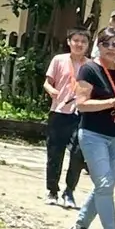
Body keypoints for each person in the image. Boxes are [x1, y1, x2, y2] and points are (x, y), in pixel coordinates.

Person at [69, 27, 115, 229]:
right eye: (106, 43)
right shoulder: (90, 69)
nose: (111, 48)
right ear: (98, 46)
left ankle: (79, 228)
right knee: (105, 184)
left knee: (104, 186)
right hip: (93, 135)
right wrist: (112, 102)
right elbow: (81, 104)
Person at [44, 29, 90, 208]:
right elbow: (47, 82)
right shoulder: (59, 60)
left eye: (83, 42)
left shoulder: (91, 66)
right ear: (69, 42)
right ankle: (52, 190)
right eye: (76, 40)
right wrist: (51, 90)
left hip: (81, 115)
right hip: (59, 111)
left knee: (78, 154)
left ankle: (69, 191)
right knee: (54, 153)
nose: (79, 44)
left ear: (88, 45)